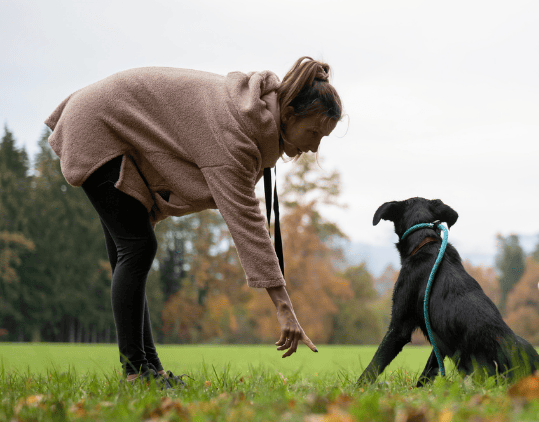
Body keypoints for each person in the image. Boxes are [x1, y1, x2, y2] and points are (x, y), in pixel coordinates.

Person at [44, 57, 341, 386]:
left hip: (110, 121)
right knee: (137, 248)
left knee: (131, 250)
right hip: (98, 124)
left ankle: (148, 370)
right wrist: (283, 306)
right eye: (313, 131)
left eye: (322, 138)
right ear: (287, 114)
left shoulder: (253, 117)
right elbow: (247, 223)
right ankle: (135, 372)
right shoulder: (238, 131)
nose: (314, 145)